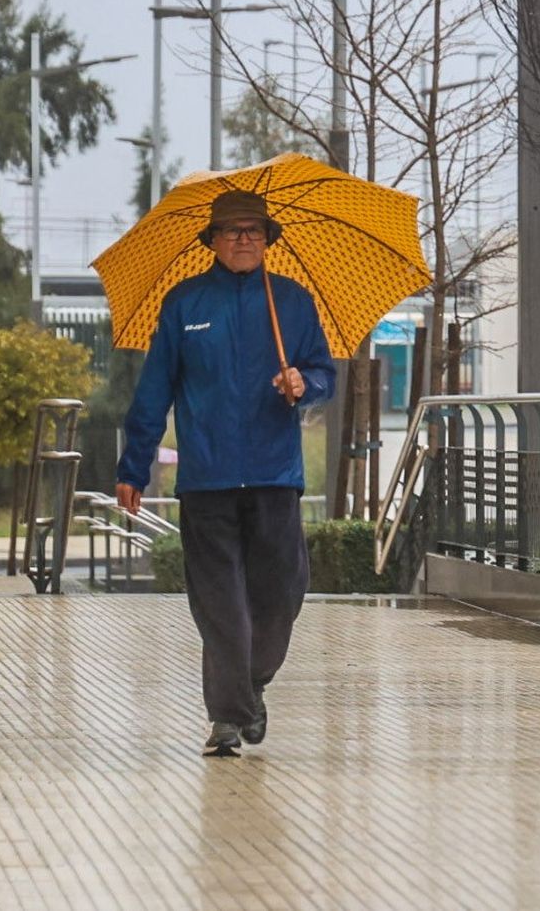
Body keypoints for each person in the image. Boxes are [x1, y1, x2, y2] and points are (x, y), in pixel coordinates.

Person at [116, 189, 335, 756]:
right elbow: (154, 391)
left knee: (281, 593)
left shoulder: (292, 301)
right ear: (212, 240)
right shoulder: (185, 303)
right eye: (232, 231)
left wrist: (302, 384)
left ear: (268, 240)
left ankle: (250, 685)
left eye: (253, 231)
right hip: (208, 477)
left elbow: (324, 374)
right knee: (219, 604)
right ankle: (228, 719)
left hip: (274, 474)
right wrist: (133, 467)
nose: (243, 239)